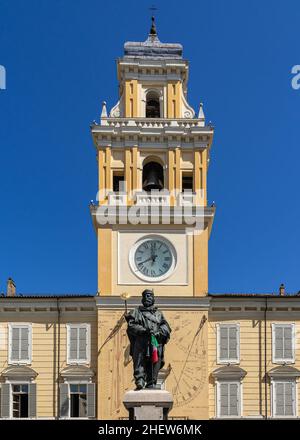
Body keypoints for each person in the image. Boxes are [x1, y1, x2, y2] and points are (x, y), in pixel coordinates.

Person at [125, 289, 171, 390]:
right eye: (145, 296)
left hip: (155, 341)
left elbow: (166, 327)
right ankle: (140, 379)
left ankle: (151, 382)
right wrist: (144, 330)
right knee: (139, 361)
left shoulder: (159, 314)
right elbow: (131, 326)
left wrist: (159, 332)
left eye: (150, 296)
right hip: (141, 341)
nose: (147, 298)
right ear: (142, 299)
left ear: (153, 299)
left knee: (154, 361)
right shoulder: (136, 312)